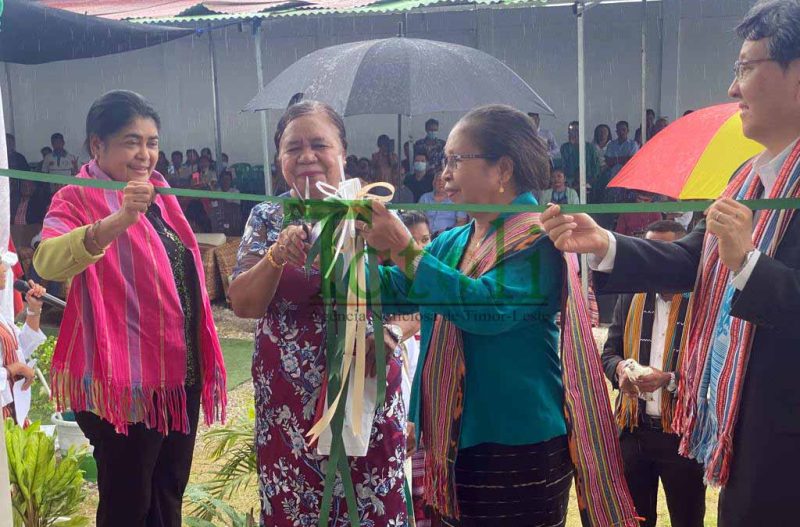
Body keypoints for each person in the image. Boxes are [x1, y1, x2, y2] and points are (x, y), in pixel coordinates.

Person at [542, 2, 800, 524]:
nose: (733, 89)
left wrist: (748, 263)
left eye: (746, 67)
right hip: (743, 433)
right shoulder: (749, 180)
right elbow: (691, 261)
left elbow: (739, 267)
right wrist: (604, 243)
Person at [363, 105, 595, 527]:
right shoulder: (452, 241)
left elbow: (484, 308)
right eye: (443, 161)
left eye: (455, 160)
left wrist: (403, 250)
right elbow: (393, 287)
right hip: (456, 441)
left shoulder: (539, 238)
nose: (443, 174)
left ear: (502, 169)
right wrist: (344, 246)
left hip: (518, 444)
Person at [32, 90, 227, 527]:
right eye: (131, 141)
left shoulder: (161, 195)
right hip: (122, 381)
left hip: (177, 375)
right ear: (97, 146)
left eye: (152, 142)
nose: (145, 153)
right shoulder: (76, 197)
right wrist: (115, 222)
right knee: (128, 501)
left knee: (167, 492)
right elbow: (46, 260)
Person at [228, 100, 407, 526]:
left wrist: (394, 331)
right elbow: (244, 304)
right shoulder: (268, 217)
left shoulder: (374, 213)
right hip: (288, 404)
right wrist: (275, 256)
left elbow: (421, 294)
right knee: (297, 509)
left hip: (365, 392)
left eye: (319, 145)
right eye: (293, 148)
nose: (306, 156)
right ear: (279, 159)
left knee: (371, 507)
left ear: (343, 152)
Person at [602, 220, 706, 527]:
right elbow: (609, 354)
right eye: (649, 251)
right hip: (634, 432)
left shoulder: (701, 304)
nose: (654, 263)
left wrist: (669, 379)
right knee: (635, 520)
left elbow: (712, 370)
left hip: (681, 436)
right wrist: (620, 369)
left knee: (688, 520)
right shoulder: (630, 296)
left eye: (663, 253)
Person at [0, 252, 46, 425]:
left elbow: (20, 348)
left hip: (12, 415)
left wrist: (34, 309)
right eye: (0, 263)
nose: (5, 269)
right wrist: (15, 369)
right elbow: (15, 362)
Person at [604, 121, 640, 202]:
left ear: (628, 130)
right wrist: (624, 159)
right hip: (613, 178)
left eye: (623, 129)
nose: (621, 132)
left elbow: (631, 162)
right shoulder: (611, 144)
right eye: (619, 130)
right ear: (616, 131)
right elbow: (608, 161)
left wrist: (616, 160)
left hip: (628, 178)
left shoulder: (633, 144)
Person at [560, 121, 601, 188]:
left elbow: (595, 165)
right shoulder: (565, 147)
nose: (574, 133)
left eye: (576, 130)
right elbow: (564, 165)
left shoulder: (589, 147)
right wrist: (571, 145)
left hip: (588, 179)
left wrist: (591, 179)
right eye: (572, 130)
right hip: (570, 180)